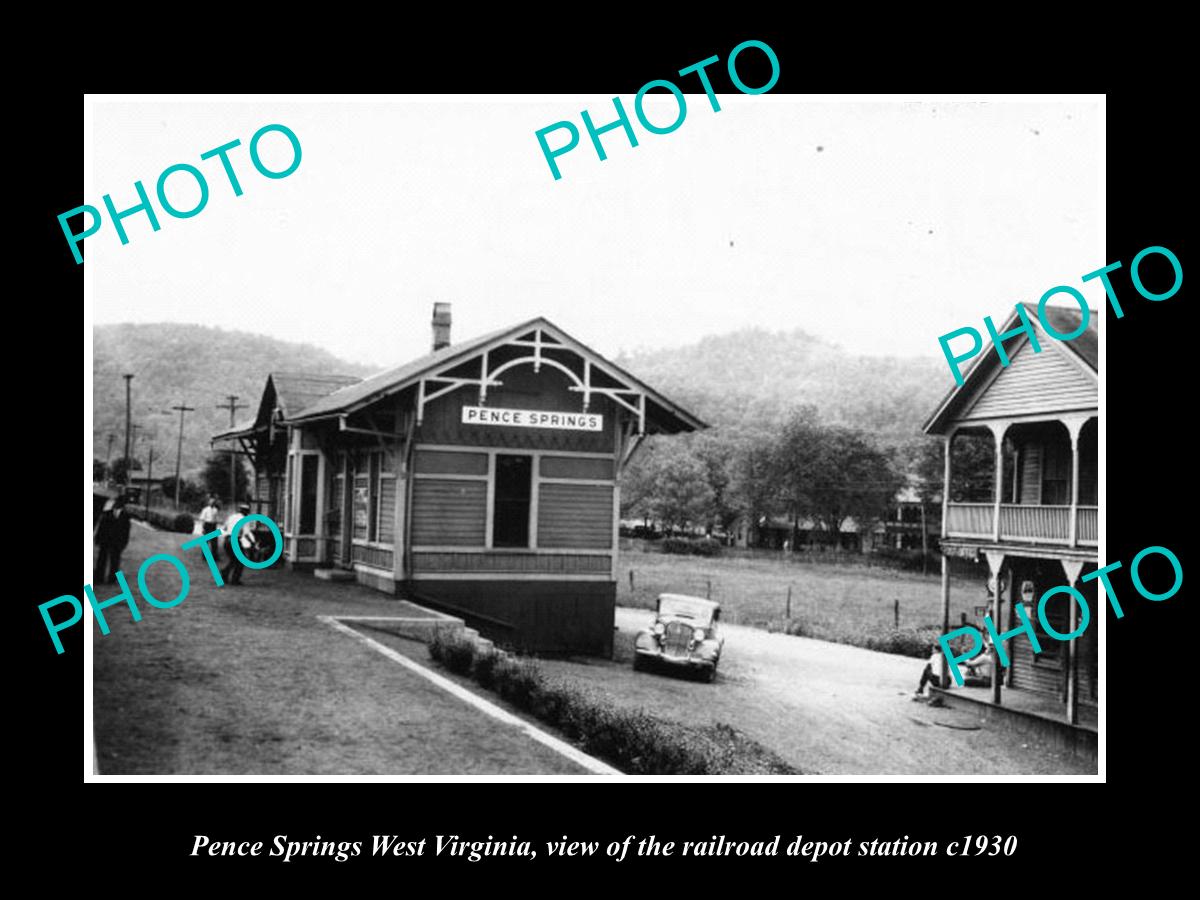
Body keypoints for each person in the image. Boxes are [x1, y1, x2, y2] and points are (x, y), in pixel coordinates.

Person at [94, 495, 131, 584]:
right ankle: (99, 577)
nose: (116, 504)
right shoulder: (107, 513)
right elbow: (101, 527)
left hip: (117, 541)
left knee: (115, 560)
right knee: (102, 559)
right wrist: (98, 538)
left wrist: (124, 543)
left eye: (119, 503)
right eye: (116, 502)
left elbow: (126, 531)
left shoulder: (125, 516)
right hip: (105, 540)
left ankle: (112, 578)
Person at [220, 502, 259, 586]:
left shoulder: (232, 517)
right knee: (240, 561)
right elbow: (246, 533)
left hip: (227, 540)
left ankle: (224, 573)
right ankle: (234, 579)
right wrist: (252, 543)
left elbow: (224, 528)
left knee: (234, 560)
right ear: (246, 512)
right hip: (235, 540)